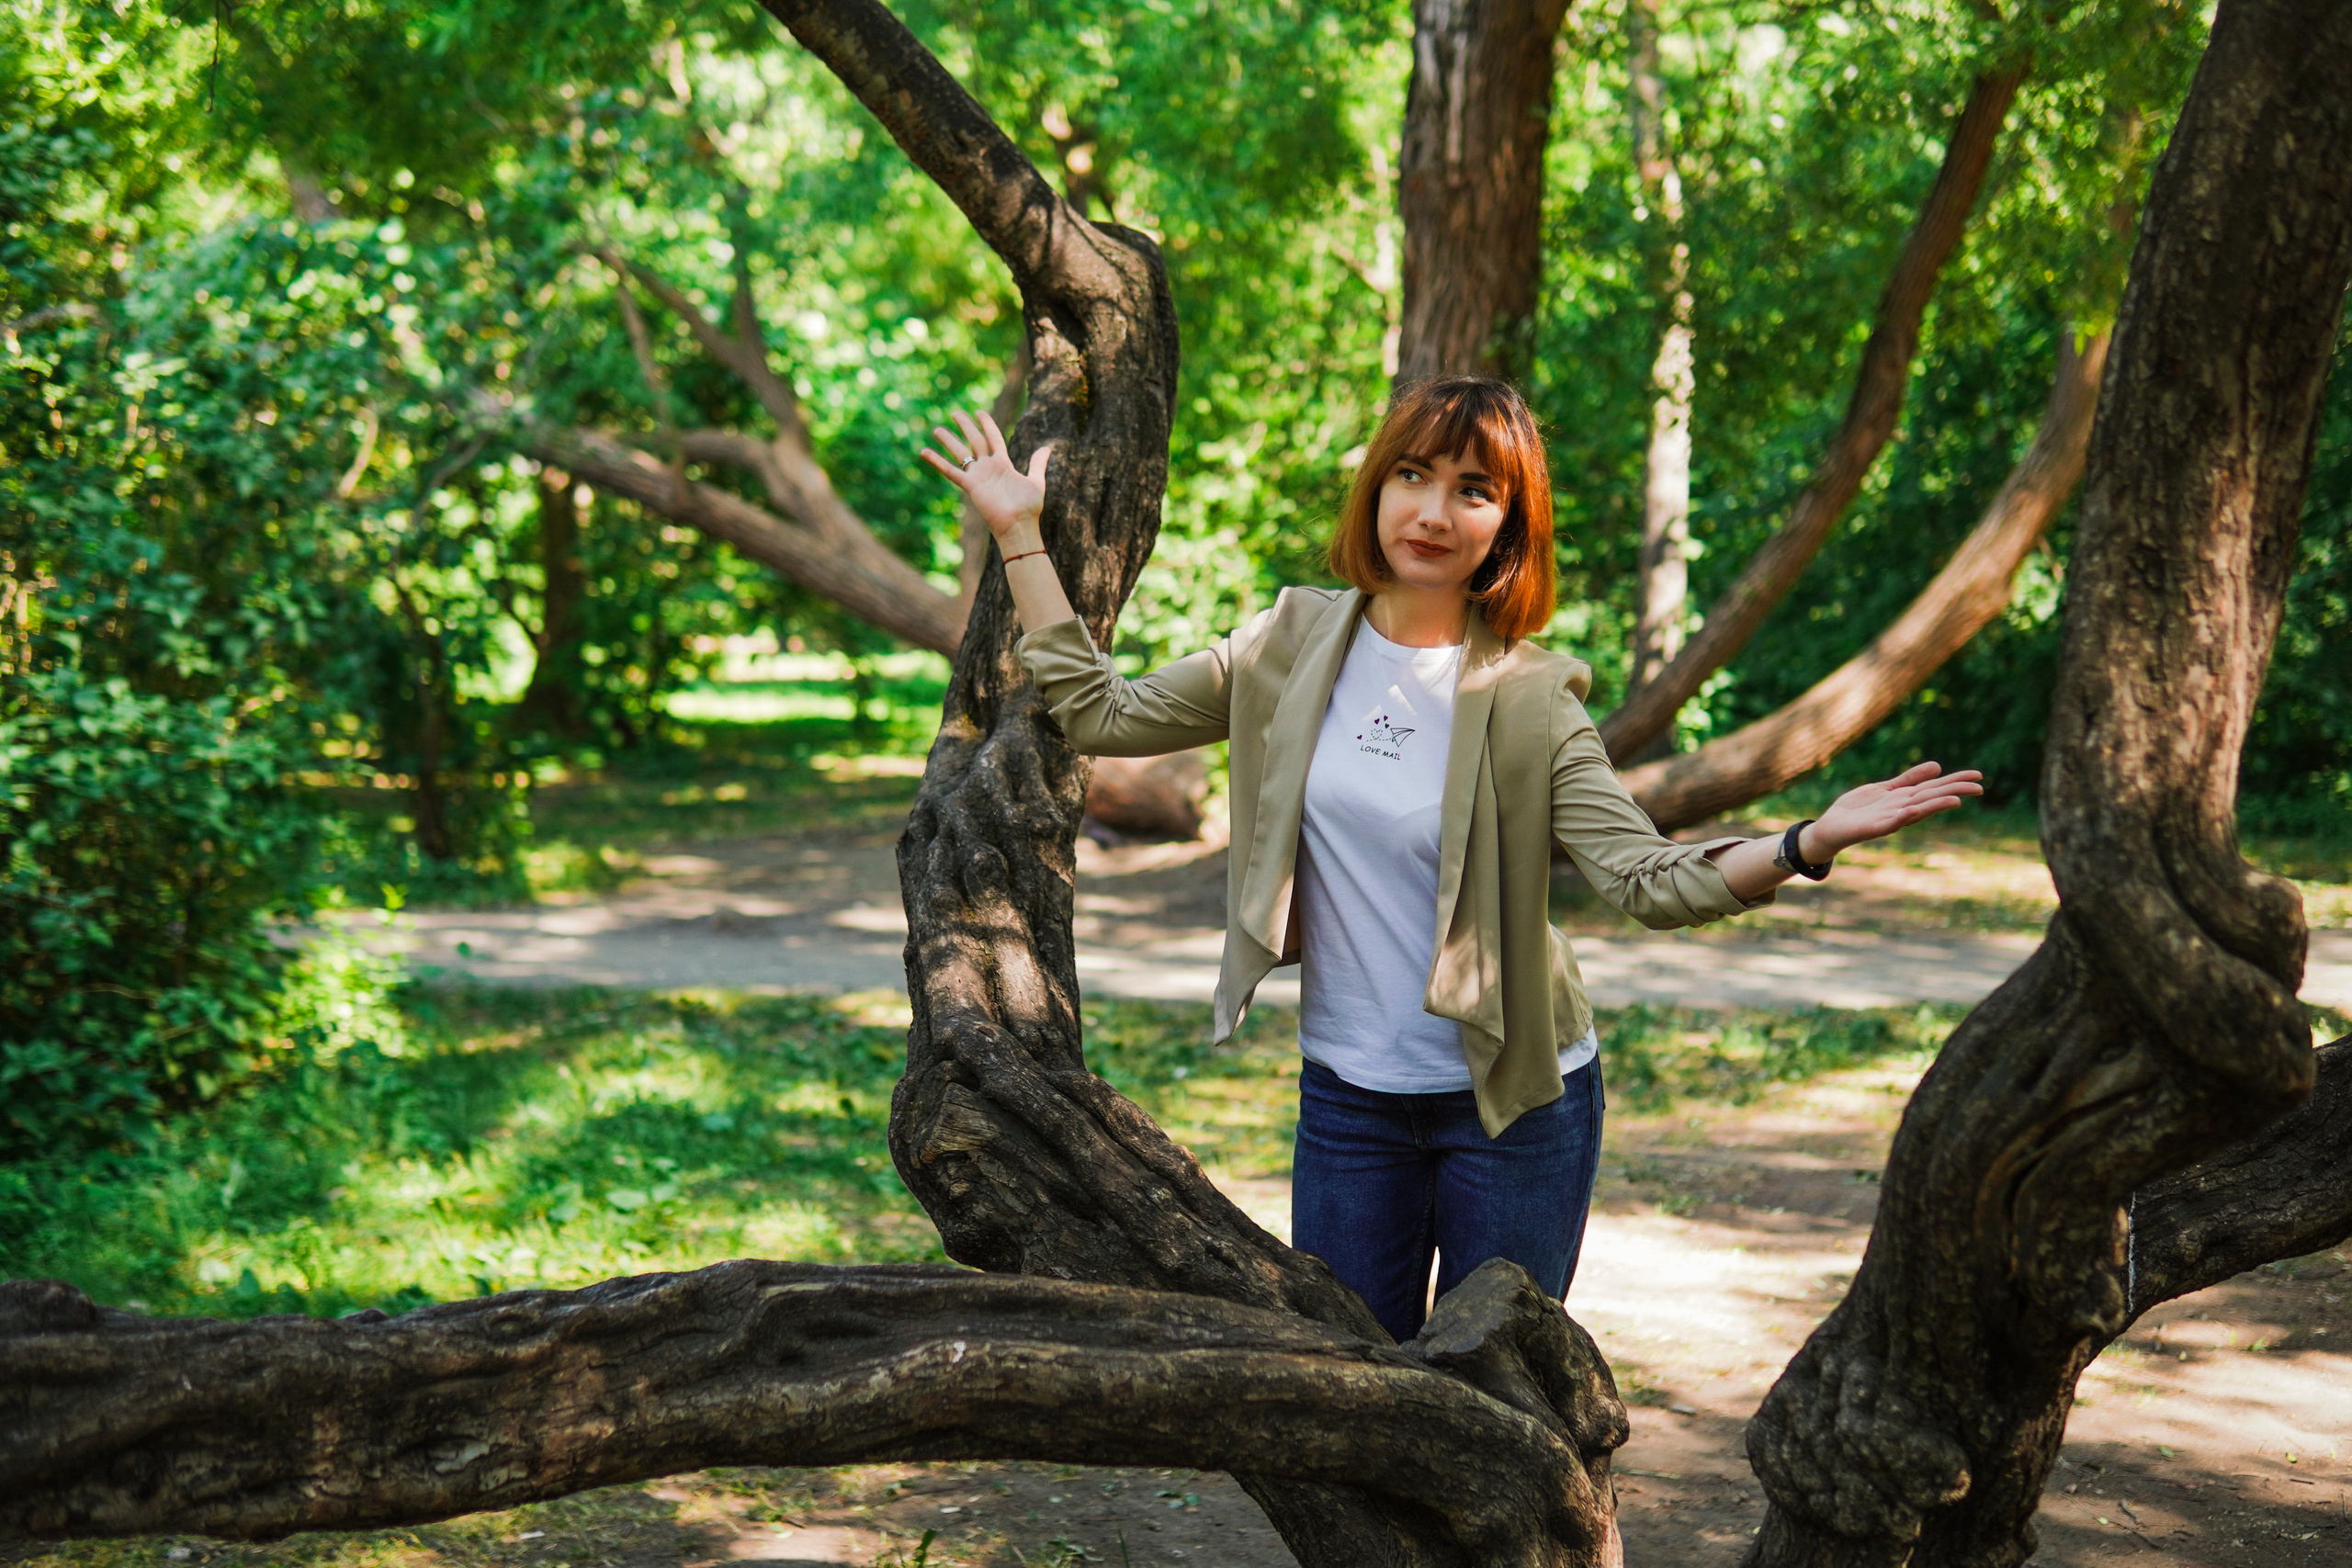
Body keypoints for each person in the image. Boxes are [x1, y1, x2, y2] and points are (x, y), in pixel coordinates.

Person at [920, 375, 1981, 1342]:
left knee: (1497, 1388)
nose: (1432, 512)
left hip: (1515, 1108)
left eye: (1473, 491)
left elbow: (1650, 883)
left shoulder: (1530, 702)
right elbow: (1101, 713)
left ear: (1506, 526)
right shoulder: (1287, 641)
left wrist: (1807, 842)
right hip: (1348, 1098)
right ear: (1376, 492)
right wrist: (1019, 535)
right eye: (1412, 476)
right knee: (1352, 1378)